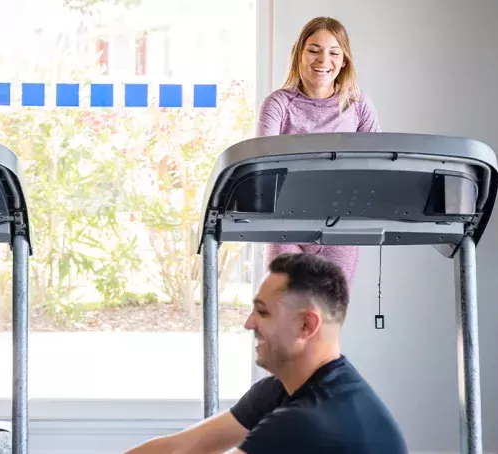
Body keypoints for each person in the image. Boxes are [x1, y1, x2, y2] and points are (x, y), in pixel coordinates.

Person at [124, 253, 407, 453]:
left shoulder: (304, 423)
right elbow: (180, 448)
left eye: (262, 312)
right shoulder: (284, 390)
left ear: (306, 325)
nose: (249, 323)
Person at [258, 16, 381, 285]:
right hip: (285, 227)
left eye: (334, 52)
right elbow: (262, 167)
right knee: (286, 313)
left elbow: (378, 166)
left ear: (344, 60)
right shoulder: (278, 104)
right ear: (299, 54)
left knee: (327, 316)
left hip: (341, 229)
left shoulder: (358, 104)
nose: (323, 60)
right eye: (314, 50)